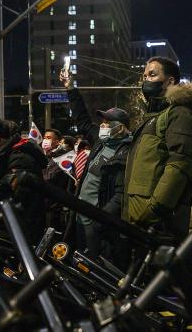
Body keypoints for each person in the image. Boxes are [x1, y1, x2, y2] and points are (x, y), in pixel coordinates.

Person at [123, 56, 192, 241]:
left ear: (170, 81)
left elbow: (180, 163)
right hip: (141, 220)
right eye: (144, 76)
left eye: (152, 75)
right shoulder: (153, 116)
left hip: (159, 224)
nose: (146, 80)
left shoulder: (179, 112)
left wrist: (156, 208)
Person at [60, 70, 132, 262]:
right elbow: (82, 120)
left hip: (98, 224)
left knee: (95, 265)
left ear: (121, 128)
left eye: (108, 123)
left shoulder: (127, 152)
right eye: (102, 122)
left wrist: (99, 221)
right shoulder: (100, 142)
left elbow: (120, 195)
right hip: (80, 218)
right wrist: (70, 88)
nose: (103, 126)